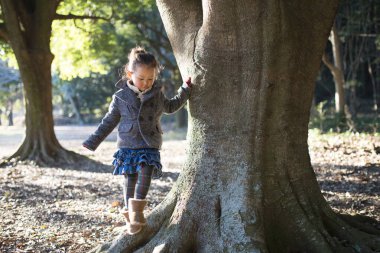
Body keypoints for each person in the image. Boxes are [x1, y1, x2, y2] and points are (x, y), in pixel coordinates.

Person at [82, 47, 192, 234]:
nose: (146, 83)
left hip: (149, 142)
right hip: (127, 143)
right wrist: (93, 140)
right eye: (141, 79)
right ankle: (129, 217)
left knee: (146, 172)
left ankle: (138, 212)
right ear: (129, 74)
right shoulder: (120, 97)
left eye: (150, 79)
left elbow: (171, 106)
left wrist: (185, 90)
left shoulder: (156, 94)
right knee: (129, 178)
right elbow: (109, 121)